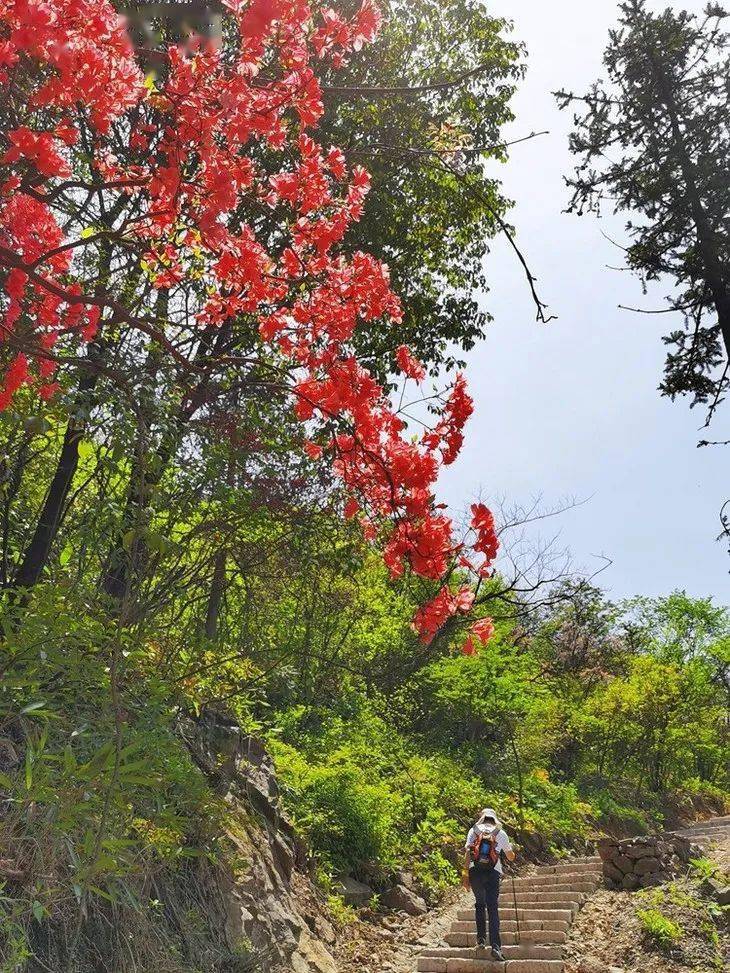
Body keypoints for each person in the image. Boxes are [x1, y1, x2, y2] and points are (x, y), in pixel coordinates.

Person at [462, 807, 515, 960]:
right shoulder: (500, 833)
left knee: (480, 903)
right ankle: (496, 947)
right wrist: (511, 852)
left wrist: (465, 876)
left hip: (475, 871)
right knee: (492, 907)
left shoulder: (474, 831)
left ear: (482, 817)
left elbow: (467, 852)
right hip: (493, 872)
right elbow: (510, 857)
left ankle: (480, 940)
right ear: (494, 818)